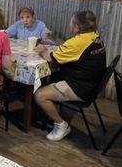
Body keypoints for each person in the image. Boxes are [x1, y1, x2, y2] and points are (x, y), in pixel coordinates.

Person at [34, 10, 106, 141]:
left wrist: (42, 49)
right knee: (52, 79)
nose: (70, 25)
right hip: (93, 84)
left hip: (80, 88)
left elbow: (50, 59)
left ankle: (61, 125)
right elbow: (71, 48)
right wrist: (55, 39)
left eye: (72, 22)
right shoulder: (94, 36)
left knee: (39, 95)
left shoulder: (77, 43)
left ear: (77, 27)